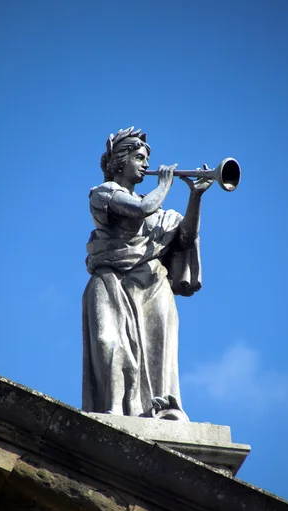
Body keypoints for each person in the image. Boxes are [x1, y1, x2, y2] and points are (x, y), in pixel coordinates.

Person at [82, 127, 212, 419]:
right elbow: (141, 207)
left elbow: (186, 236)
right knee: (108, 343)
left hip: (153, 286)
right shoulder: (103, 194)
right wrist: (165, 184)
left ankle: (159, 408)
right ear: (119, 161)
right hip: (111, 280)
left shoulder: (160, 215)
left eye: (145, 158)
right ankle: (113, 411)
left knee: (157, 352)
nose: (145, 164)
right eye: (139, 157)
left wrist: (196, 197)